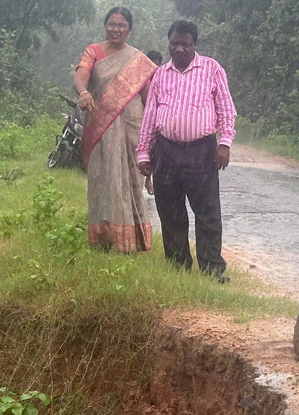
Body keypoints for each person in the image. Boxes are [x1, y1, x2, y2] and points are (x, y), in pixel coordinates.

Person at [136, 20, 236, 280]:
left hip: (201, 151)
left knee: (207, 212)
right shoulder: (160, 75)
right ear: (168, 43)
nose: (179, 49)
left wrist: (224, 143)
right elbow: (150, 116)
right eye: (174, 43)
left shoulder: (211, 69)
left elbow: (226, 109)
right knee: (170, 211)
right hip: (166, 152)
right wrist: (144, 152)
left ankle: (212, 269)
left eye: (185, 44)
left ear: (194, 44)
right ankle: (178, 266)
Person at [74, 7, 158, 252]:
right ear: (105, 25)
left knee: (131, 182)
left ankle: (131, 242)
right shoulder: (94, 51)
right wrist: (84, 92)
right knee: (102, 181)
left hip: (133, 127)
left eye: (121, 25)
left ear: (129, 30)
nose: (115, 29)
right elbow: (80, 76)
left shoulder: (138, 61)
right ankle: (103, 240)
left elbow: (149, 96)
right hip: (100, 128)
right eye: (111, 24)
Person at [142, 50, 163, 196]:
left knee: (153, 151)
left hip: (154, 119)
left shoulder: (161, 77)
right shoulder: (139, 77)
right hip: (139, 116)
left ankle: (148, 179)